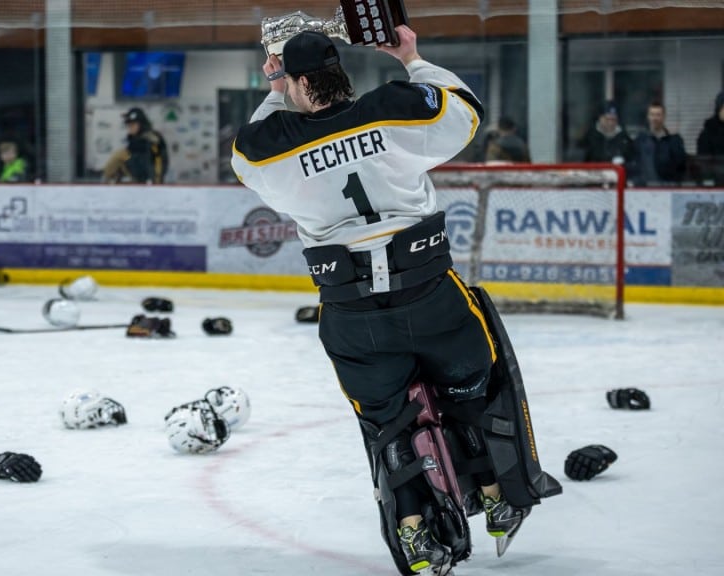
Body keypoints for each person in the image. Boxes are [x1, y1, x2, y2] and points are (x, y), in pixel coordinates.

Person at [231, 27, 554, 575]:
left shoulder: (269, 147)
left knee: (388, 425)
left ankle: (414, 537)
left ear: (298, 81)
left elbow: (249, 151)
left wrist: (273, 83)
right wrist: (411, 57)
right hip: (432, 298)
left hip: (353, 319)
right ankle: (500, 496)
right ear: (338, 71)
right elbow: (466, 111)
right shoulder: (390, 111)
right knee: (475, 393)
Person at [102, 107, 169, 184]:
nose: (130, 128)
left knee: (121, 154)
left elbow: (158, 159)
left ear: (141, 124)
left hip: (149, 177)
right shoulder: (135, 138)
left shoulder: (151, 138)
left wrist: (156, 180)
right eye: (129, 125)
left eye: (133, 125)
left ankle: (103, 182)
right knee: (121, 157)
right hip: (140, 173)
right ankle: (107, 180)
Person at [631, 102, 686, 186]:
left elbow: (680, 165)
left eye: (658, 115)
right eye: (652, 114)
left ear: (664, 117)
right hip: (644, 189)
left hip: (668, 188)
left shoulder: (674, 140)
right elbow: (635, 165)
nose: (655, 118)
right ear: (648, 116)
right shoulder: (640, 140)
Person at [582, 101, 634, 166]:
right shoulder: (590, 137)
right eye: (607, 119)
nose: (610, 123)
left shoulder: (624, 138)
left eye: (613, 120)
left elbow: (631, 160)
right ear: (600, 118)